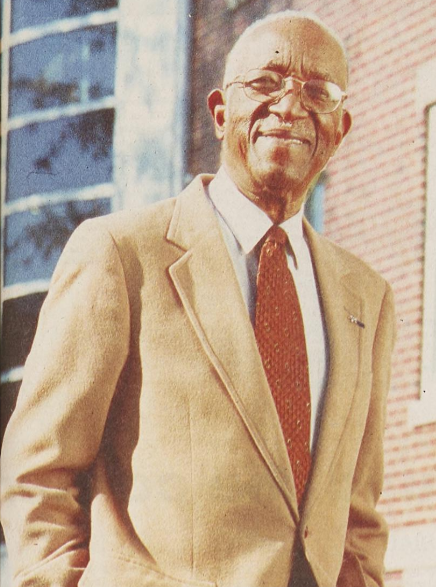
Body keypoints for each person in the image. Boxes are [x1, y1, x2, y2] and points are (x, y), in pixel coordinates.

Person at [1, 10, 396, 587]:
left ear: (339, 130)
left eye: (317, 92)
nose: (289, 106)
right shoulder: (120, 254)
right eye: (264, 83)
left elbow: (358, 519)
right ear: (219, 113)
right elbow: (39, 470)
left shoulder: (368, 298)